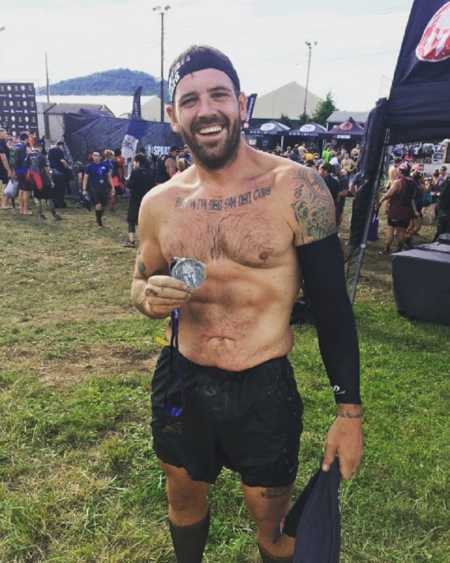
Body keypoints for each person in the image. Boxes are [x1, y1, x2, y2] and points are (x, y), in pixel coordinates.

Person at [131, 45, 363, 563]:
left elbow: (331, 309)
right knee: (183, 499)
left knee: (272, 521)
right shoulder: (159, 203)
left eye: (219, 94)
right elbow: (140, 280)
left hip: (263, 385)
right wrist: (146, 297)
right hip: (183, 377)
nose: (206, 109)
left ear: (241, 104)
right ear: (174, 117)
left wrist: (348, 411)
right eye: (190, 99)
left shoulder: (296, 188)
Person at [377, 162, 418, 254]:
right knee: (402, 231)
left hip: (395, 210)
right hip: (406, 211)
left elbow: (389, 194)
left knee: (391, 229)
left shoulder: (398, 182)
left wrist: (381, 200)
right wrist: (415, 211)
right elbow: (412, 198)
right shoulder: (413, 183)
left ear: (400, 171)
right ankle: (399, 250)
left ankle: (386, 249)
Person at [123, 153, 155, 247]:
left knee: (131, 220)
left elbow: (129, 185)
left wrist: (127, 180)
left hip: (135, 199)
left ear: (137, 162)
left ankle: (131, 241)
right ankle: (147, 241)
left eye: (134, 161)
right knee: (145, 221)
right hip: (146, 200)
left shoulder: (135, 172)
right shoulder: (151, 171)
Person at [82, 151, 113, 227]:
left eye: (97, 155)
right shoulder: (89, 166)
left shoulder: (105, 165)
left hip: (104, 188)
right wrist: (84, 189)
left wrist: (112, 187)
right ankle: (99, 222)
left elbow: (109, 177)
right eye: (94, 155)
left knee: (103, 205)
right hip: (94, 188)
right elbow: (85, 178)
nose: (96, 157)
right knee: (98, 205)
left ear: (100, 157)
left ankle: (99, 216)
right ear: (92, 157)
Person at [48, 141, 71, 208]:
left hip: (52, 171)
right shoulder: (59, 150)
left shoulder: (50, 151)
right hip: (59, 172)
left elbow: (49, 161)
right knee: (61, 189)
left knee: (54, 188)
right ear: (60, 145)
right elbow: (62, 161)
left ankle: (55, 203)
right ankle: (60, 203)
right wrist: (67, 166)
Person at [15, 132, 32, 216]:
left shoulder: (16, 146)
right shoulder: (25, 147)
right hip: (25, 170)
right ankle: (25, 210)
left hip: (18, 170)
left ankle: (21, 209)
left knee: (21, 190)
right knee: (26, 191)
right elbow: (26, 161)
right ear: (26, 139)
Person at [0, 128, 13, 210]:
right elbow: (3, 158)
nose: (6, 134)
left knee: (5, 184)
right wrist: (8, 169)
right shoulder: (0, 144)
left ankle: (3, 203)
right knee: (6, 184)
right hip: (3, 167)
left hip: (3, 167)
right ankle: (4, 204)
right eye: (5, 133)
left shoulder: (3, 143)